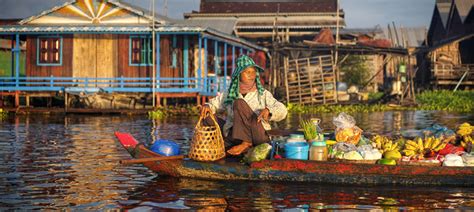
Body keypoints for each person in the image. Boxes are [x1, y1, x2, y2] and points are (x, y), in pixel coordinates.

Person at [201, 55, 287, 156]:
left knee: (239, 103)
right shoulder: (230, 93)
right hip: (234, 136)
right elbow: (214, 104)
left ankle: (246, 143)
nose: (252, 75)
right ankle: (230, 143)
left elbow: (282, 109)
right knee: (207, 116)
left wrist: (269, 111)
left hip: (257, 135)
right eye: (248, 72)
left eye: (254, 72)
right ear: (239, 74)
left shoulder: (263, 94)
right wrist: (207, 106)